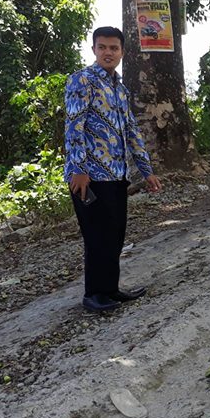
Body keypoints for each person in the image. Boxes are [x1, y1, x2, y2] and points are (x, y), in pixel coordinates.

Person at [64, 26, 163, 313]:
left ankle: (110, 289)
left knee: (115, 233)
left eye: (114, 48)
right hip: (90, 176)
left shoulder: (120, 88)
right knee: (97, 235)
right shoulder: (81, 81)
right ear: (94, 49)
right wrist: (79, 169)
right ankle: (93, 294)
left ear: (122, 52)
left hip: (117, 174)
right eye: (102, 47)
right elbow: (73, 126)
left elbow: (131, 130)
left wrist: (146, 170)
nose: (108, 52)